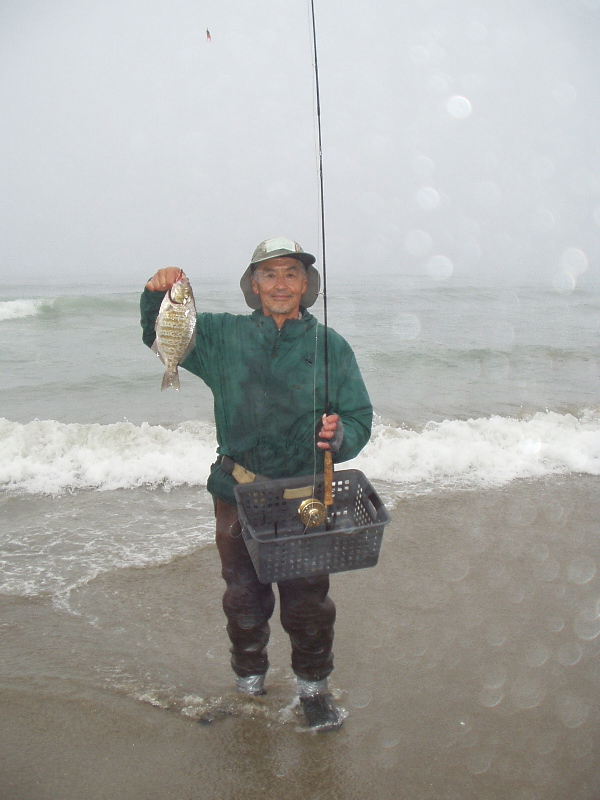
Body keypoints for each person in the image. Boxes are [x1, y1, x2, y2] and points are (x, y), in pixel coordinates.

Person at [140, 237, 372, 729]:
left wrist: (341, 434)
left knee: (308, 599)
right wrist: (154, 291)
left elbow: (359, 417)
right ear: (253, 285)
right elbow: (160, 336)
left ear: (306, 285)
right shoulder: (221, 335)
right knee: (242, 596)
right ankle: (249, 688)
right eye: (269, 274)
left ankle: (314, 691)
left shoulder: (330, 345)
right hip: (237, 491)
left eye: (291, 273)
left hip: (305, 494)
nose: (280, 284)